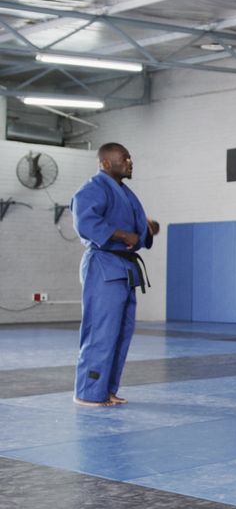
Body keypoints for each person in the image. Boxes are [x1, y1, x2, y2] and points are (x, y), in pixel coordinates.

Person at [70, 142, 160, 407]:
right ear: (106, 163)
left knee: (121, 332)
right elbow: (84, 221)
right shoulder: (92, 188)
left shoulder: (124, 192)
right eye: (124, 158)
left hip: (124, 268)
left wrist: (146, 228)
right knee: (101, 330)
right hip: (104, 265)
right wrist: (122, 234)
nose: (130, 162)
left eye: (131, 158)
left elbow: (134, 230)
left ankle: (106, 390)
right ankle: (87, 392)